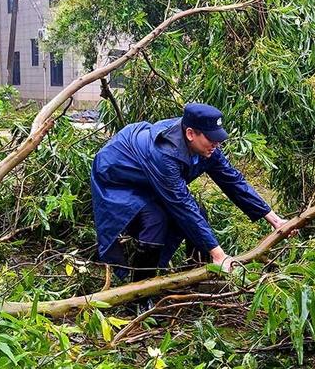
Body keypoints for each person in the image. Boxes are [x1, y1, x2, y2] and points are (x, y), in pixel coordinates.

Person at [91, 103, 289, 281]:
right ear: (190, 134)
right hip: (117, 178)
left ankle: (200, 276)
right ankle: (139, 292)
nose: (216, 144)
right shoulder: (165, 154)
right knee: (156, 219)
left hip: (147, 176)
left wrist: (274, 219)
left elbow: (232, 180)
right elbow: (182, 206)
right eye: (211, 139)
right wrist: (219, 254)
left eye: (218, 139)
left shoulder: (207, 147)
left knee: (199, 212)